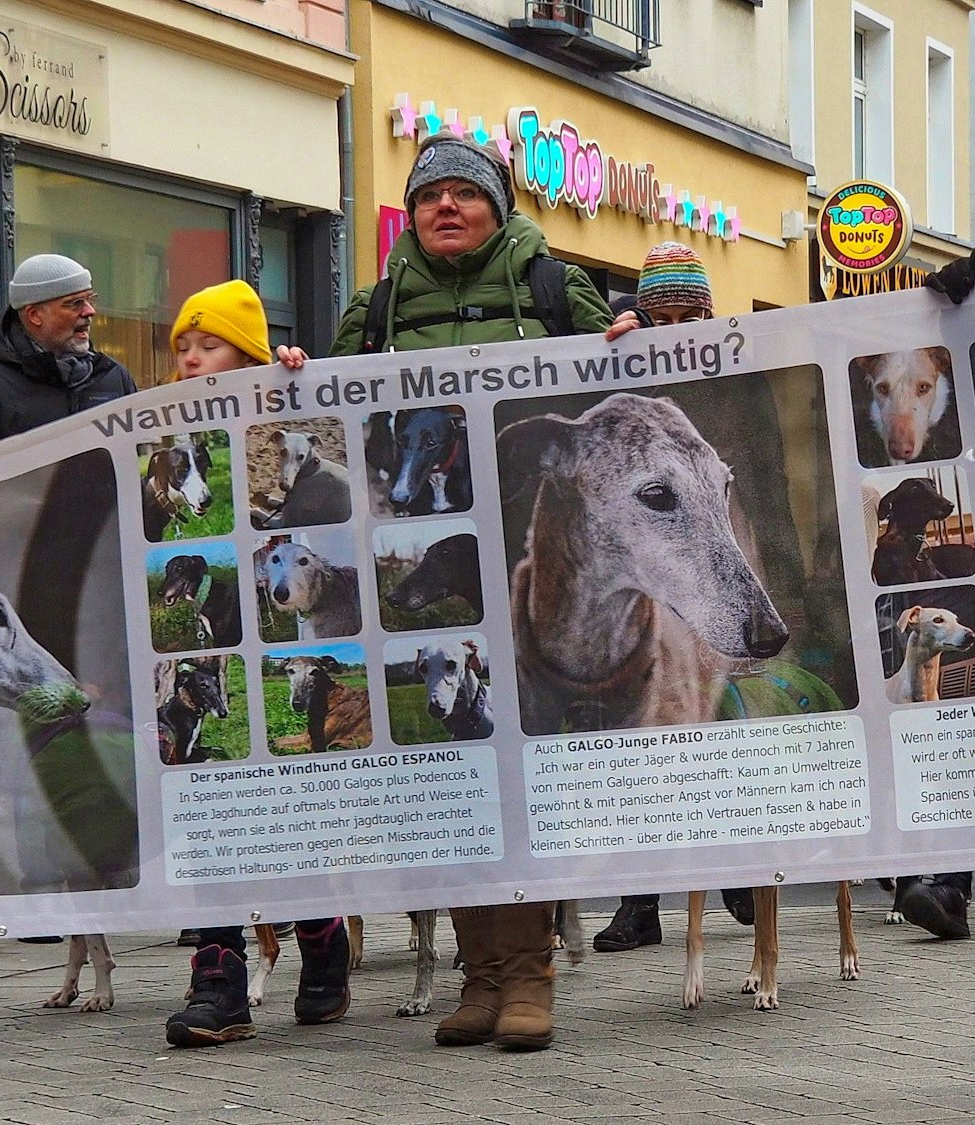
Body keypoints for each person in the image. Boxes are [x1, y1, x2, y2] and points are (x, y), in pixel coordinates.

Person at [329, 132, 611, 1049]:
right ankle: (480, 975)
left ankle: (530, 973)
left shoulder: (551, 287)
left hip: (525, 565)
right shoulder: (372, 310)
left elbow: (622, 383)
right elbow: (336, 422)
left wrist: (637, 339)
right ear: (410, 214)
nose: (446, 206)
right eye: (429, 196)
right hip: (434, 565)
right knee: (442, 775)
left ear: (498, 205)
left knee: (513, 768)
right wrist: (294, 376)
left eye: (465, 192)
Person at [147, 280, 342, 1049]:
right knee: (212, 813)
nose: (193, 359)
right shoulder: (157, 426)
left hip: (276, 646)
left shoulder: (278, 402)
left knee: (287, 817)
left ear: (250, 353)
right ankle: (219, 975)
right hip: (203, 657)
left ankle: (322, 941)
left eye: (210, 345)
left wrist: (295, 375)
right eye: (184, 348)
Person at [591, 242, 756, 953]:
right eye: (660, 314)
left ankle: (737, 868)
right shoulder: (621, 364)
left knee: (714, 723)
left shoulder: (738, 358)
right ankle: (641, 899)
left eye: (690, 314)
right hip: (647, 567)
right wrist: (617, 347)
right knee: (642, 735)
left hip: (713, 553)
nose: (676, 328)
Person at [0, 254, 135, 453]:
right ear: (34, 315)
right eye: (74, 303)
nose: (89, 312)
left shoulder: (114, 377)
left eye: (90, 300)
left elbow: (140, 461)